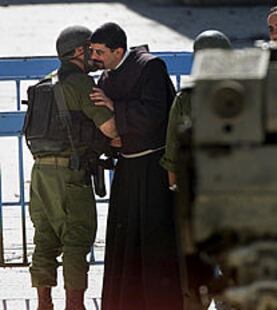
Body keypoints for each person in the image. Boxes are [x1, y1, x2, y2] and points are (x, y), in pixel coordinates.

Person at [88, 22, 182, 310]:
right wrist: (113, 138)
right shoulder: (107, 74)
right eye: (92, 51)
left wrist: (116, 109)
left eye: (100, 52)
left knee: (154, 242)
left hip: (153, 169)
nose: (95, 57)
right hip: (127, 170)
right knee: (124, 242)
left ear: (119, 51)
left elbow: (155, 114)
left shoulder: (150, 67)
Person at [27, 25, 118, 310]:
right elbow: (111, 129)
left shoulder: (43, 84)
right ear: (79, 51)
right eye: (91, 49)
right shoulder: (81, 84)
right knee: (75, 242)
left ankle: (44, 304)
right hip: (70, 175)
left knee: (44, 239)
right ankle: (74, 306)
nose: (94, 55)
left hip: (39, 175)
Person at [160, 30, 232, 308]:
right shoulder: (245, 91)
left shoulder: (186, 97)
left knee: (194, 263)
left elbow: (172, 152)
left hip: (196, 194)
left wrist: (175, 190)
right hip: (234, 190)